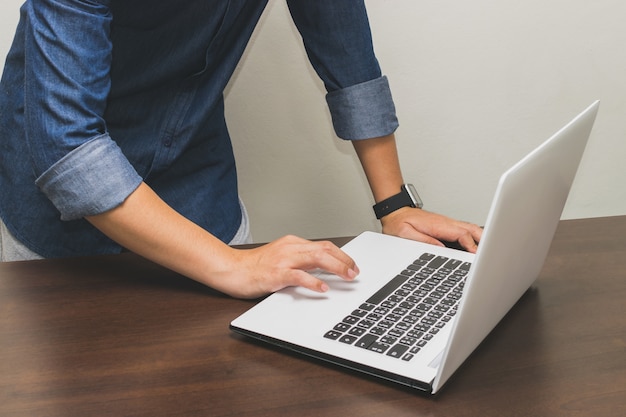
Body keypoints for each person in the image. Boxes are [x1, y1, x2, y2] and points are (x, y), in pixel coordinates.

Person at [0, 0, 482, 298]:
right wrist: (234, 266)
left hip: (200, 196)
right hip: (56, 234)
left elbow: (348, 57)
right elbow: (70, 149)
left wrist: (395, 206)